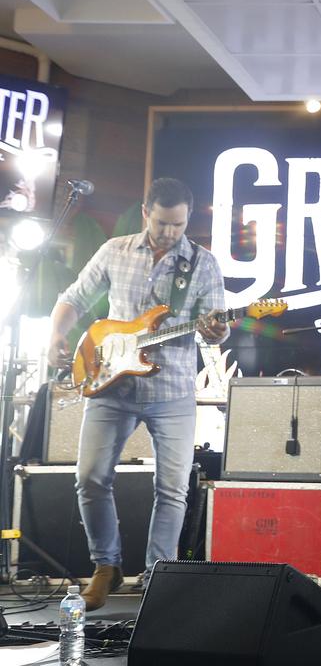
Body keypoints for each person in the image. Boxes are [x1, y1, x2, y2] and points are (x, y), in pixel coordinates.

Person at [48, 178, 229, 610]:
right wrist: (56, 333)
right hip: (110, 382)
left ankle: (157, 576)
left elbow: (217, 331)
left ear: (189, 218)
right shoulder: (115, 250)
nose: (170, 232)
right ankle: (105, 568)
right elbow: (74, 297)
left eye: (179, 225)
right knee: (90, 477)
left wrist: (217, 329)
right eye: (163, 223)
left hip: (172, 390)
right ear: (146, 212)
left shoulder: (203, 264)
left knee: (172, 488)